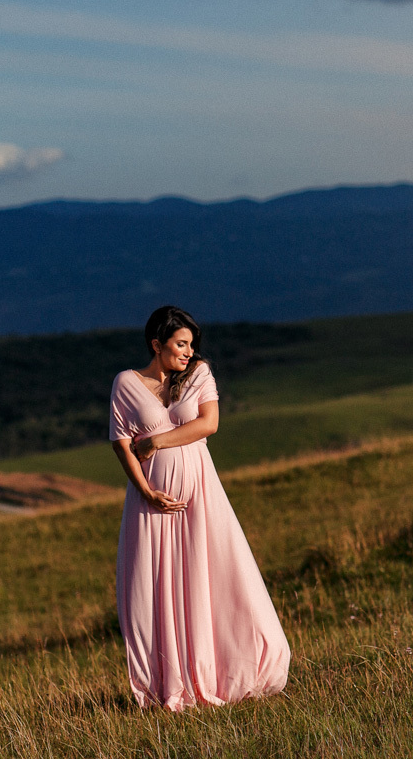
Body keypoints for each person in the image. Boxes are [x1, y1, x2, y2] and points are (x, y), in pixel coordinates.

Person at [108, 305, 291, 712]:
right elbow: (121, 443)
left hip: (200, 497)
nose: (188, 352)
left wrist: (156, 441)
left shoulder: (198, 375)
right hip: (152, 504)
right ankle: (168, 683)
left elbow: (208, 425)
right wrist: (146, 490)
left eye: (192, 344)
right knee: (155, 588)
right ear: (157, 344)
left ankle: (221, 672)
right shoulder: (126, 382)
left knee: (214, 575)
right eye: (180, 344)